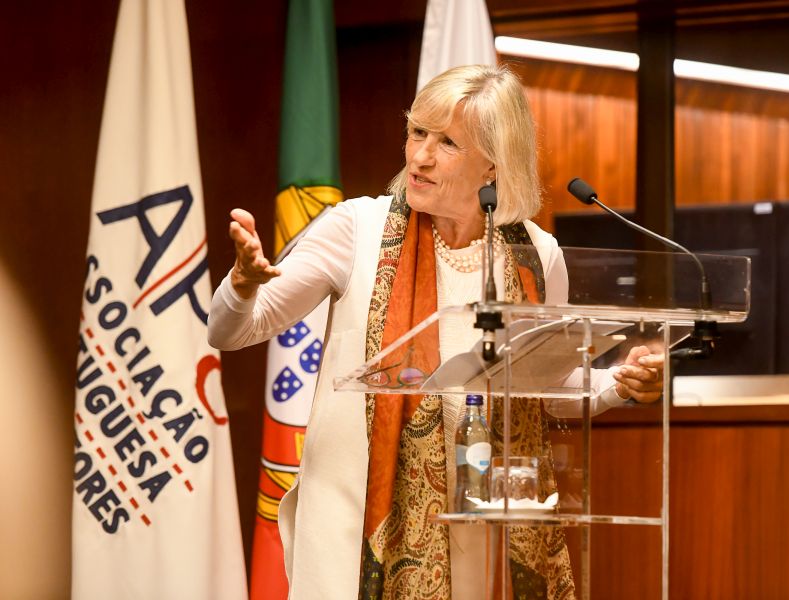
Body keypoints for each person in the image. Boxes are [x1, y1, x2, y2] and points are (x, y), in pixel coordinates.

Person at [208, 64, 664, 600]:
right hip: (354, 521)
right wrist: (243, 285)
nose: (420, 156)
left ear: (493, 160)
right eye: (417, 132)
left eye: (447, 142)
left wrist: (616, 382)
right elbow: (231, 332)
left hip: (480, 522)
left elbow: (543, 386)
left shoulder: (538, 256)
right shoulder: (357, 229)